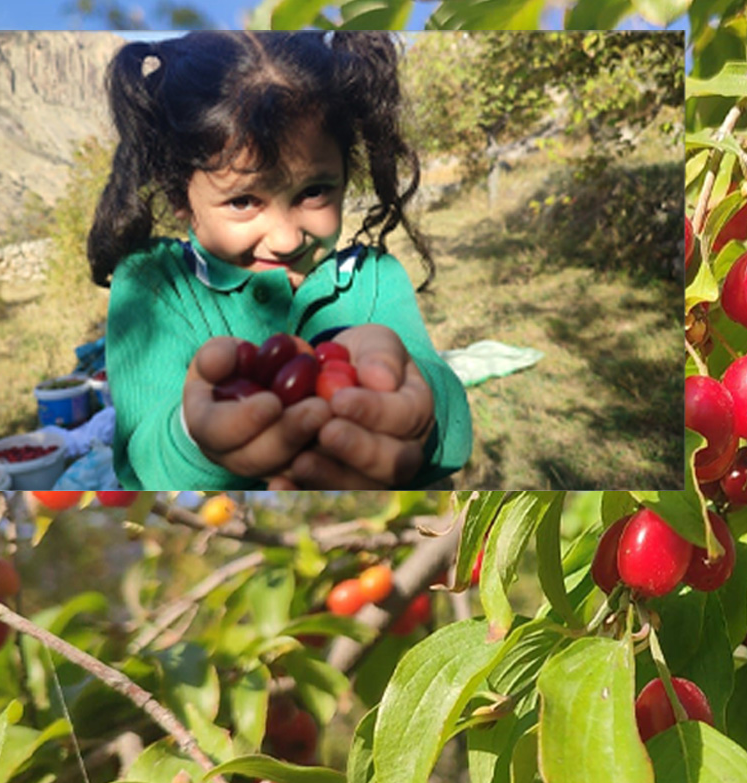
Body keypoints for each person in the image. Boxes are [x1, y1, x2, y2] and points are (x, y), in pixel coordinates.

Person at [86, 31, 471, 489]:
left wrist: (421, 406)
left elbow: (452, 428)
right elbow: (142, 462)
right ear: (179, 196)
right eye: (244, 201)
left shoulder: (373, 280)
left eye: (313, 191)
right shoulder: (154, 287)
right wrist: (199, 437)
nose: (287, 240)